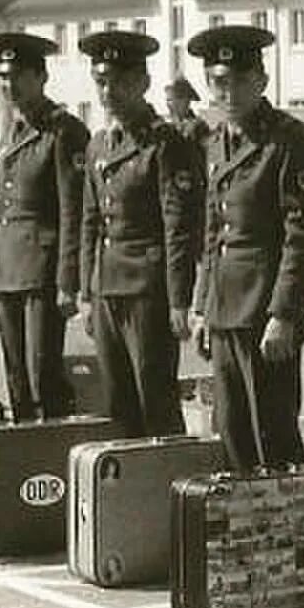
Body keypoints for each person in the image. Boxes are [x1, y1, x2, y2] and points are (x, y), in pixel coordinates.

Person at [187, 25, 304, 472]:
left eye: (239, 81)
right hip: (226, 311)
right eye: (218, 82)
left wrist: (284, 313)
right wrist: (200, 307)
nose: (228, 92)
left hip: (265, 315)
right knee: (233, 433)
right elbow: (212, 236)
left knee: (275, 436)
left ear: (261, 82)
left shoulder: (288, 141)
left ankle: (288, 537)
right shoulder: (214, 145)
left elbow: (303, 236)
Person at [77, 30, 198, 437]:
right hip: (106, 288)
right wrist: (86, 294)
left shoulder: (165, 144)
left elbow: (177, 228)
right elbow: (90, 222)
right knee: (117, 403)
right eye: (101, 81)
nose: (108, 91)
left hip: (148, 291)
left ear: (143, 84)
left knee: (155, 399)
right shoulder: (97, 146)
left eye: (118, 81)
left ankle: (168, 484)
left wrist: (179, 300)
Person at [0, 31, 89, 420]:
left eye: (19, 77)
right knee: (16, 378)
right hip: (8, 270)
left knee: (42, 372)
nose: (9, 85)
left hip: (42, 272)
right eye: (4, 77)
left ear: (41, 78)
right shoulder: (12, 130)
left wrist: (67, 280)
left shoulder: (64, 131)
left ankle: (53, 449)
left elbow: (72, 210)